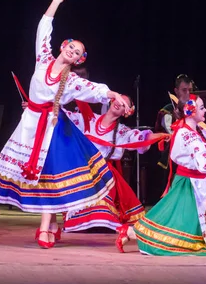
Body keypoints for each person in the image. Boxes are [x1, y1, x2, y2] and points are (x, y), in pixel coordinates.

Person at [0, 0, 128, 249]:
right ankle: (51, 224)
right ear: (63, 47)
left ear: (78, 61)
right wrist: (55, 3)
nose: (72, 52)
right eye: (71, 47)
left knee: (51, 174)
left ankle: (45, 228)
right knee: (40, 175)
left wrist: (114, 94)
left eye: (77, 53)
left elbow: (95, 89)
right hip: (31, 123)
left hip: (54, 127)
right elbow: (43, 29)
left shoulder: (72, 81)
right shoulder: (43, 58)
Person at [116, 95, 206, 255]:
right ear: (191, 112)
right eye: (201, 108)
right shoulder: (189, 136)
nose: (205, 110)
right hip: (192, 183)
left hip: (194, 180)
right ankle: (131, 232)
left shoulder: (189, 129)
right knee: (176, 223)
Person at [64, 94, 167, 231]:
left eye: (124, 104)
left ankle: (99, 218)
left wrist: (160, 135)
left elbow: (140, 138)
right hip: (82, 171)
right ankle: (83, 219)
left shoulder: (122, 132)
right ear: (112, 100)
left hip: (103, 173)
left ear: (126, 112)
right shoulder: (88, 118)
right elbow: (63, 116)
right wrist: (36, 109)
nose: (119, 104)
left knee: (103, 177)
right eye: (119, 100)